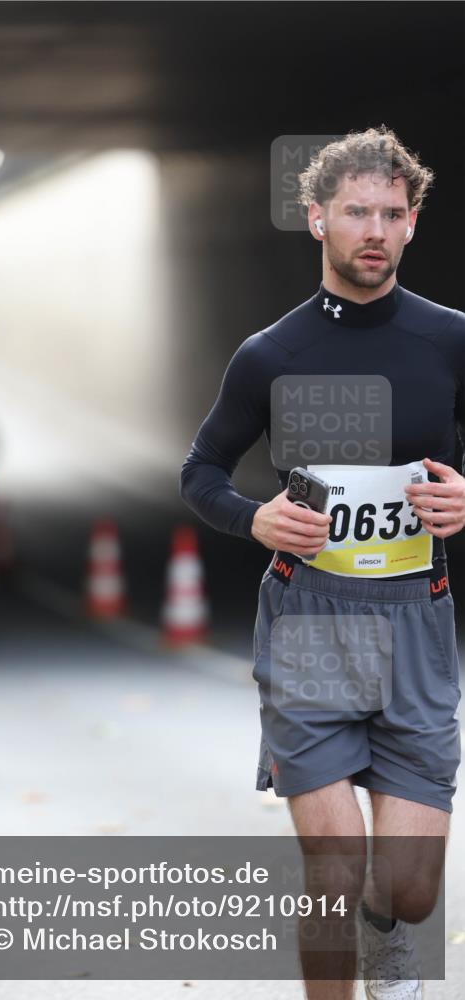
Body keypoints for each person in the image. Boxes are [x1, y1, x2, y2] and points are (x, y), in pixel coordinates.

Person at [180, 127, 464, 1000]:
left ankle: (390, 941)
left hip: (416, 620)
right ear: (316, 221)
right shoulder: (272, 353)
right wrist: (253, 516)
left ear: (412, 223)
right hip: (308, 626)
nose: (372, 229)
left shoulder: (450, 340)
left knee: (410, 892)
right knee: (334, 870)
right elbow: (200, 473)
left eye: (390, 213)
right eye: (354, 213)